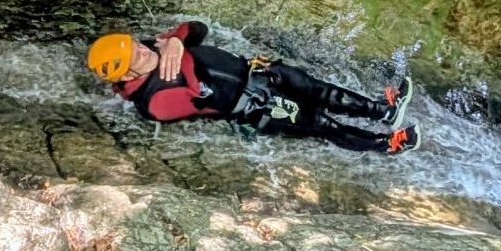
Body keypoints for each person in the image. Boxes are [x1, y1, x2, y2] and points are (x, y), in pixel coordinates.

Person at [86, 20, 420, 154]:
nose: (144, 49)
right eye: (138, 56)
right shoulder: (153, 103)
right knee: (322, 124)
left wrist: (174, 40)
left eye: (137, 45)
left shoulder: (154, 50)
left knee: (321, 90)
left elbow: (197, 29)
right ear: (127, 76)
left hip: (257, 72)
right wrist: (178, 49)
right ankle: (386, 145)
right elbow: (199, 93)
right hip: (256, 104)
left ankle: (384, 111)